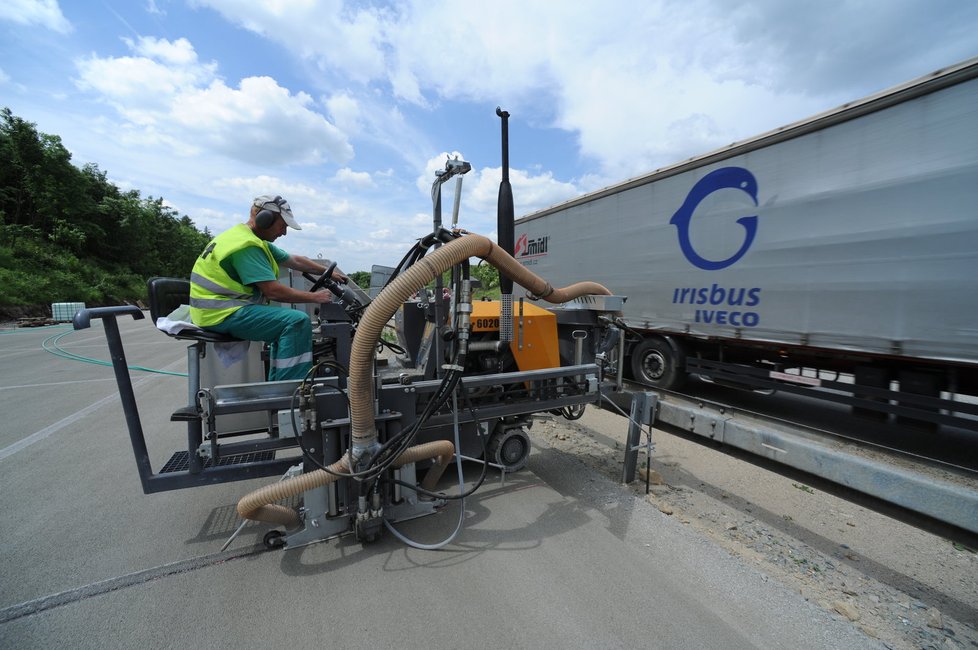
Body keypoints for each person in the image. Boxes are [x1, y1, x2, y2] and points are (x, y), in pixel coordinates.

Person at [189, 194, 347, 381]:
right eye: (283, 226)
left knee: (283, 325)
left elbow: (295, 260)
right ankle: (292, 388)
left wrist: (329, 272)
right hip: (221, 313)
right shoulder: (246, 246)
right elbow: (272, 291)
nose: (284, 233)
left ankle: (277, 385)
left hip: (217, 310)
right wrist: (315, 297)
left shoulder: (250, 239)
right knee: (295, 322)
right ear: (265, 219)